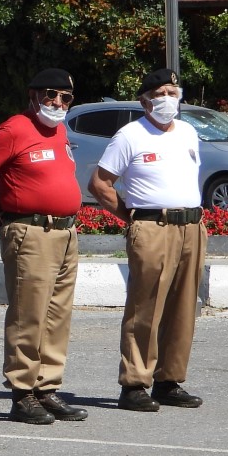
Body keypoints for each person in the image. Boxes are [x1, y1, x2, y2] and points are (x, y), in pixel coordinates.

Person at [89, 67, 207, 412]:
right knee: (146, 307)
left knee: (183, 307)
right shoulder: (130, 135)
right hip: (152, 226)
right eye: (159, 94)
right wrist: (134, 218)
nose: (167, 99)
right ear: (145, 102)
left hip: (191, 225)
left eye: (172, 92)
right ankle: (135, 383)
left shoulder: (187, 132)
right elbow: (99, 184)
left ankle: (169, 380)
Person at [0, 69, 88, 425]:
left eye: (65, 98)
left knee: (57, 316)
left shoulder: (58, 130)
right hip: (30, 232)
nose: (57, 103)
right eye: (50, 95)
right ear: (32, 95)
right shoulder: (16, 128)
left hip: (64, 233)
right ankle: (22, 392)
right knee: (29, 315)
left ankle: (47, 387)